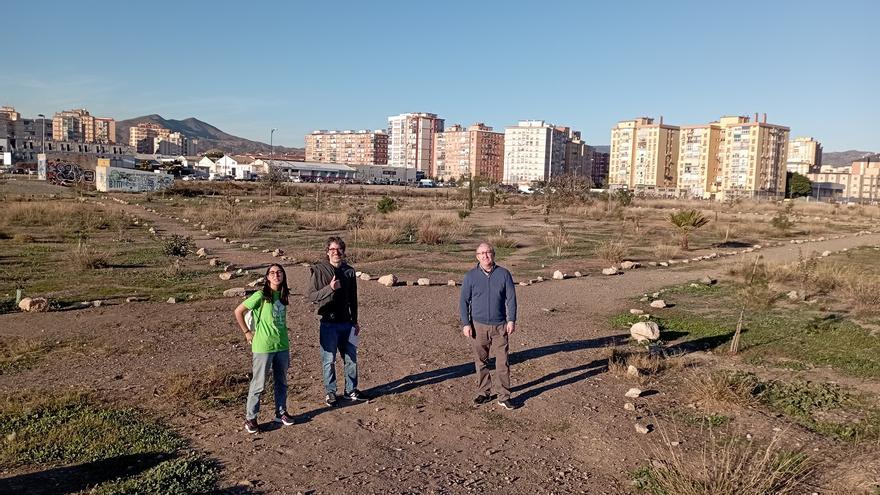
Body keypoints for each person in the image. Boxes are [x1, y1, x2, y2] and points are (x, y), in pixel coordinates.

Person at [233, 263, 294, 434]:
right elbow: (239, 311)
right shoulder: (260, 295)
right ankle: (251, 418)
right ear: (267, 277)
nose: (276, 275)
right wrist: (246, 332)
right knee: (259, 383)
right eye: (272, 273)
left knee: (281, 381)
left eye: (279, 272)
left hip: (282, 345)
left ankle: (281, 413)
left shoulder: (283, 295)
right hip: (263, 346)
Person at [459, 242, 518, 410]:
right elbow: (464, 301)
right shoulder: (470, 276)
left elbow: (511, 299)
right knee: (481, 361)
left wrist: (511, 319)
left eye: (488, 252)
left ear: (493, 254)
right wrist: (465, 323)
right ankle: (483, 392)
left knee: (502, 362)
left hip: (500, 326)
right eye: (482, 253)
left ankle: (504, 396)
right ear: (477, 256)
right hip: (478, 326)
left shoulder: (504, 274)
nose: (485, 255)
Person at [308, 236, 364, 406]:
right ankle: (330, 392)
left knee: (351, 359)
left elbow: (353, 298)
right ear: (327, 252)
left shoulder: (349, 271)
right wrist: (329, 288)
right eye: (332, 249)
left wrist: (355, 320)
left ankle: (351, 390)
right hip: (328, 323)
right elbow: (311, 296)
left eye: (339, 249)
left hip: (347, 323)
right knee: (329, 360)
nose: (336, 252)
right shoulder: (319, 270)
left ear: (343, 252)